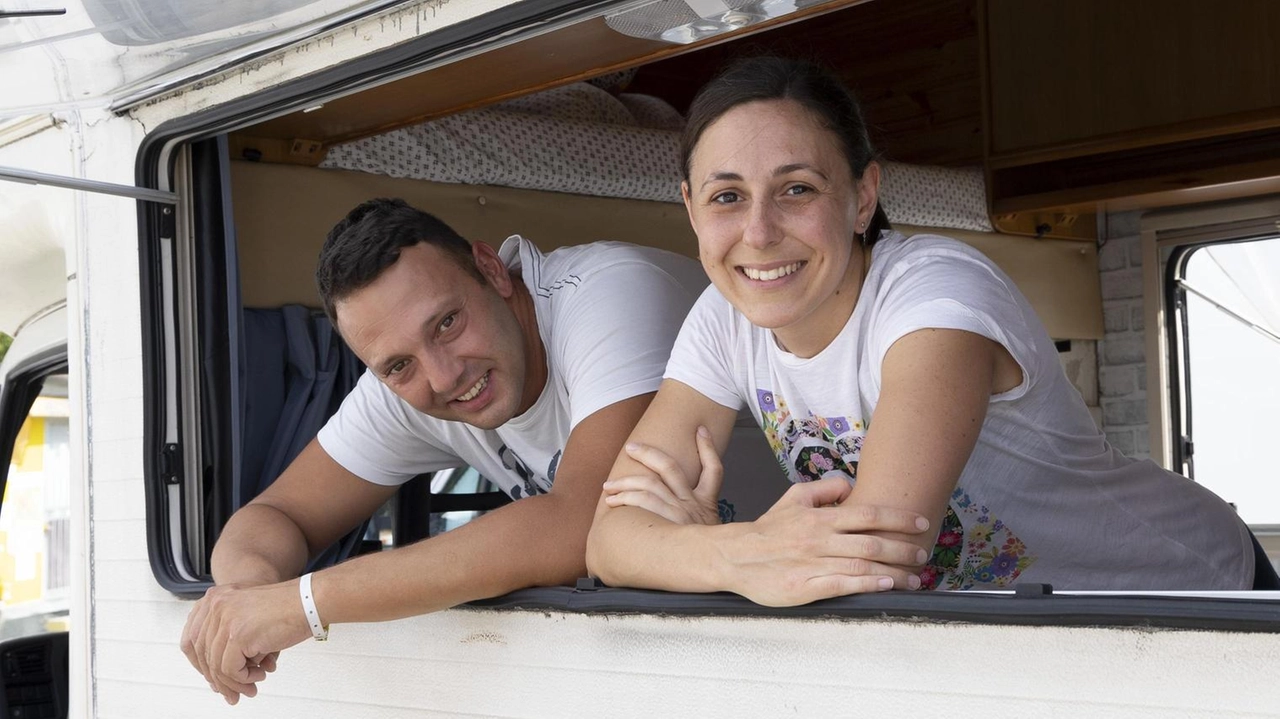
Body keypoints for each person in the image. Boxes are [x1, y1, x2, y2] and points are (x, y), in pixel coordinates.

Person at [179, 197, 939, 704]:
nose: (444, 376)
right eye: (398, 364)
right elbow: (276, 514)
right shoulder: (409, 382)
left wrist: (302, 604)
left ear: (491, 270)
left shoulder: (605, 293)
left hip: (878, 610)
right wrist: (245, 597)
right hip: (729, 637)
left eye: (447, 324)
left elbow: (581, 523)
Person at [585, 56, 1257, 606]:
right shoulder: (723, 320)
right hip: (1036, 634)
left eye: (797, 189)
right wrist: (737, 552)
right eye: (726, 196)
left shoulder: (933, 296)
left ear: (863, 196)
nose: (757, 233)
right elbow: (608, 541)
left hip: (1193, 591)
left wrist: (697, 548)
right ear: (691, 209)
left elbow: (879, 558)